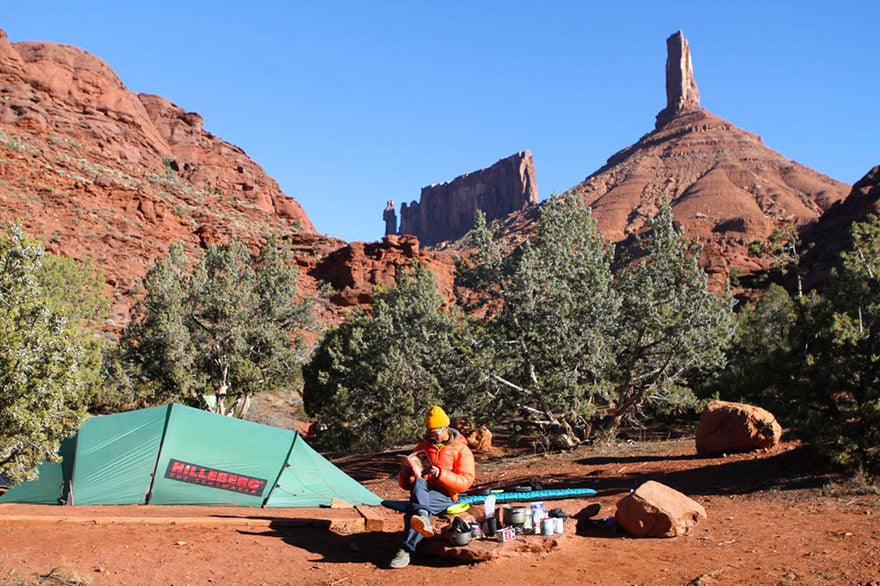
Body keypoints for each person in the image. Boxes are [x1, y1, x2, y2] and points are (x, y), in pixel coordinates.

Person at [389, 406, 475, 569]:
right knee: (418, 482)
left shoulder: (461, 450)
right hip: (421, 490)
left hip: (445, 494)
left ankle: (406, 549)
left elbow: (466, 481)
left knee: (412, 511)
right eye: (429, 433)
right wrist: (405, 473)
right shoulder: (422, 447)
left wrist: (440, 474)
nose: (432, 437)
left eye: (435, 433)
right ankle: (423, 516)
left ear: (446, 428)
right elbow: (406, 485)